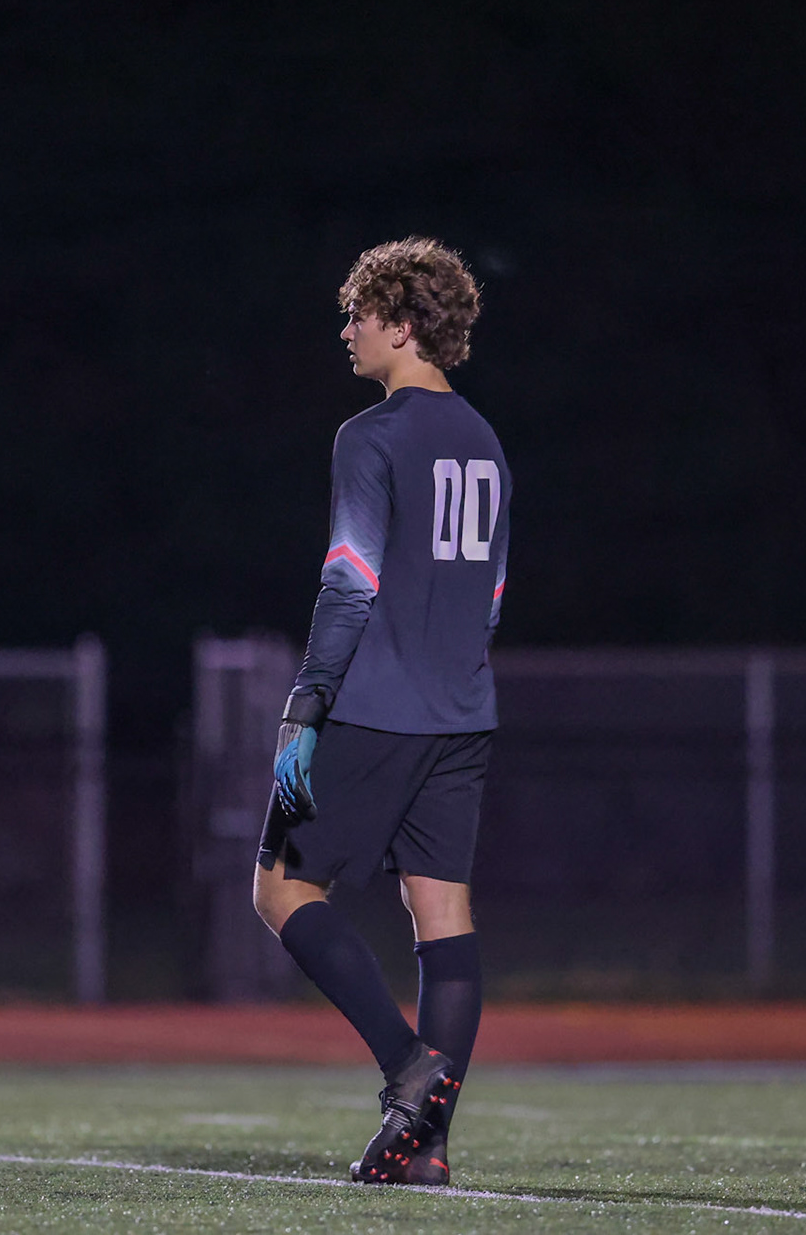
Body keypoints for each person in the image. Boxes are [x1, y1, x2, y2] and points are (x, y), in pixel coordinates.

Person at [252, 237, 510, 1187]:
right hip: (463, 714)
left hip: (376, 709)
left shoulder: (370, 435)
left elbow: (349, 582)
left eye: (359, 314)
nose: (348, 330)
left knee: (279, 891)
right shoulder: (486, 440)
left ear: (403, 325)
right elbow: (490, 597)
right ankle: (427, 1149)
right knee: (442, 923)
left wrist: (305, 705)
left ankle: (410, 1071)